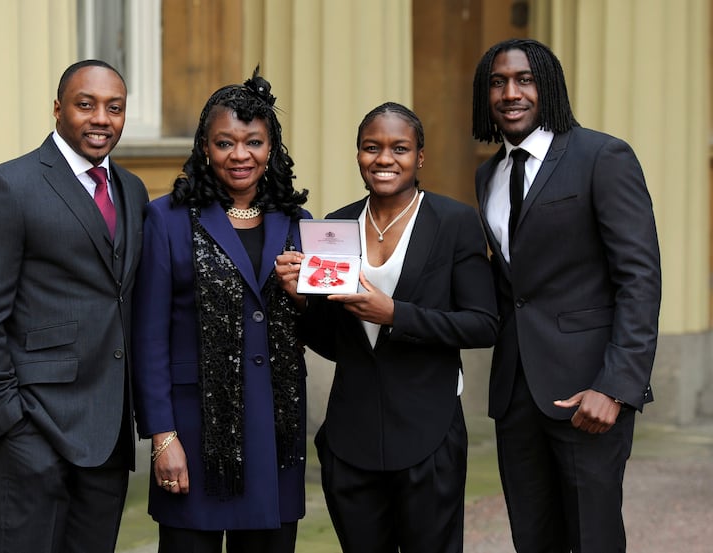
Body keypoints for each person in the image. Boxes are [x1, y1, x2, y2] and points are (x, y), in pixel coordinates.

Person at [275, 102, 498, 553]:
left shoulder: (453, 222)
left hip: (428, 429)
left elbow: (484, 324)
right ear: (358, 154)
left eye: (399, 148)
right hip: (351, 435)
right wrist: (301, 300)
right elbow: (335, 342)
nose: (383, 159)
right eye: (371, 147)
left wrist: (395, 313)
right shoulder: (334, 227)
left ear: (419, 158)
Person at [472, 38, 661, 552]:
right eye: (497, 82)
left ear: (548, 86)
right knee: (532, 539)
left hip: (588, 393)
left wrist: (617, 386)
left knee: (592, 538)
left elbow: (639, 278)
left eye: (524, 79)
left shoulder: (603, 156)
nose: (510, 92)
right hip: (516, 395)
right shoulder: (488, 174)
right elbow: (512, 287)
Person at [0, 59, 149, 553]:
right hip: (33, 428)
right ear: (58, 109)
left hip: (107, 434)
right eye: (86, 105)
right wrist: (9, 423)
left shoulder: (132, 189)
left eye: (115, 108)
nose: (101, 118)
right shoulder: (7, 186)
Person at [131, 67, 310, 553]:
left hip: (274, 433)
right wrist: (162, 437)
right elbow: (148, 338)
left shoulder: (299, 224)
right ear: (204, 148)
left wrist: (304, 299)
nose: (240, 155)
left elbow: (320, 329)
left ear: (270, 148)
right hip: (195, 432)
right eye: (224, 142)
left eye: (252, 142)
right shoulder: (166, 218)